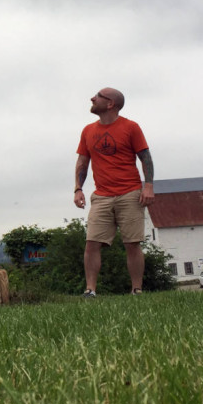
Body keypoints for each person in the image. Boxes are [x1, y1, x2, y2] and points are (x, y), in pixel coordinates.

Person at [73, 87, 154, 296]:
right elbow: (83, 161)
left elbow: (145, 158)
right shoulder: (88, 130)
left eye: (98, 96)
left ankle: (137, 289)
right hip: (101, 196)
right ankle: (90, 290)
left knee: (132, 243)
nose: (92, 98)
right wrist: (78, 189)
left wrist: (149, 186)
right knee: (91, 242)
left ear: (110, 104)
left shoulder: (131, 127)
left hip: (130, 193)